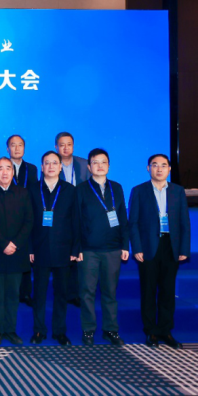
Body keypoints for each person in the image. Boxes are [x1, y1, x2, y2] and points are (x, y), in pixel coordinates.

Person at [129, 154, 191, 349]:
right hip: (148, 247)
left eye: (163, 165)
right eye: (155, 165)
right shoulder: (139, 191)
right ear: (148, 168)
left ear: (169, 169)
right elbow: (133, 223)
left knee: (167, 291)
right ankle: (151, 331)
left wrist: (184, 248)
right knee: (148, 291)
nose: (159, 169)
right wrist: (137, 247)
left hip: (171, 246)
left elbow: (184, 222)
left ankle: (166, 331)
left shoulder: (178, 191)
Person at [75, 148, 129, 346]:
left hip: (113, 249)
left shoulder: (117, 187)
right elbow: (76, 221)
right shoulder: (81, 189)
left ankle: (111, 330)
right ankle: (88, 330)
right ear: (89, 167)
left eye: (103, 162)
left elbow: (122, 217)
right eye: (95, 162)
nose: (99, 166)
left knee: (110, 293)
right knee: (87, 292)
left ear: (108, 166)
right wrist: (77, 248)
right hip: (88, 250)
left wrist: (125, 245)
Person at [27, 151, 79, 347]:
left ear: (60, 167)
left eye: (54, 163)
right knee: (39, 294)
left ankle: (59, 331)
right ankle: (39, 330)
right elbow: (27, 221)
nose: (50, 166)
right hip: (39, 249)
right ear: (42, 167)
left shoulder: (70, 190)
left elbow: (76, 221)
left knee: (61, 294)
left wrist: (75, 249)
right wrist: (29, 248)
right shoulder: (32, 189)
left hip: (63, 250)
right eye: (47, 163)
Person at [0, 157, 33, 346]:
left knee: (12, 294)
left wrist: (15, 244)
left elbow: (29, 221)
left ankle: (10, 330)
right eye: (0, 169)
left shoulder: (23, 193)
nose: (4, 172)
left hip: (17, 253)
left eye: (8, 168)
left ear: (13, 172)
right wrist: (3, 244)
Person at [55, 131, 89, 308]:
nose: (66, 148)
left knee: (79, 256)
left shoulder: (84, 164)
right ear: (56, 147)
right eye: (62, 145)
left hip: (82, 216)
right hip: (61, 218)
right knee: (65, 256)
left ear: (73, 146)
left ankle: (77, 293)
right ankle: (65, 292)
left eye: (69, 144)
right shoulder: (52, 164)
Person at [6, 134, 38, 308]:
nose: (17, 148)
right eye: (13, 145)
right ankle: (11, 293)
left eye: (20, 145)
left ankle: (25, 293)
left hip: (27, 216)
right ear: (7, 148)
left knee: (26, 256)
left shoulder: (32, 169)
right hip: (7, 217)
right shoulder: (2, 167)